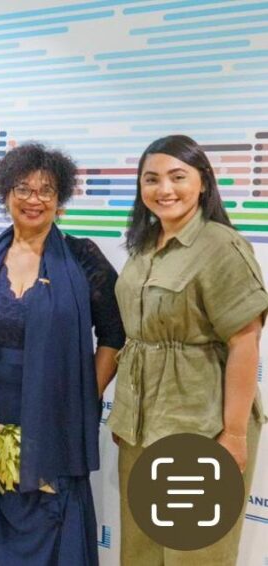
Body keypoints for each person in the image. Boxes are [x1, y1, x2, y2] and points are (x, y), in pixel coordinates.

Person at [0, 143, 125, 565]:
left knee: (52, 527)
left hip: (57, 422)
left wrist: (83, 396)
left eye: (46, 190)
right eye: (23, 188)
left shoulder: (83, 259)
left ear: (60, 201)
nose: (34, 199)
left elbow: (114, 336)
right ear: (6, 195)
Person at [108, 134, 267, 565]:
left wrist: (233, 435)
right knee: (140, 553)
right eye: (151, 179)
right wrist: (125, 413)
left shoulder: (222, 246)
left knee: (193, 555)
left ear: (203, 184)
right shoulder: (143, 247)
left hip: (201, 426)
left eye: (178, 177)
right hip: (142, 425)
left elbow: (244, 342)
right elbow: (137, 338)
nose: (165, 189)